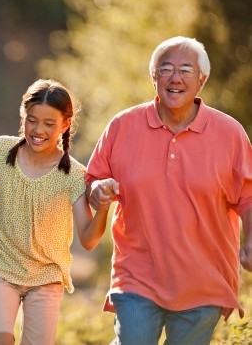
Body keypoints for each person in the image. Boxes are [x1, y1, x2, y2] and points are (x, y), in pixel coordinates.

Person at [86, 36, 252, 344]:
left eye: (186, 70)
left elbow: (248, 197)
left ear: (201, 80)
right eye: (166, 69)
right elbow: (93, 181)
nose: (175, 78)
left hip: (205, 280)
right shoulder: (123, 126)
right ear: (153, 77)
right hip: (137, 276)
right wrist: (97, 192)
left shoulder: (229, 134)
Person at [0, 79, 109, 345]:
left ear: (65, 124)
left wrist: (102, 209)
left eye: (49, 123)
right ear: (23, 116)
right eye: (32, 120)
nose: (38, 130)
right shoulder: (4, 148)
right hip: (1, 267)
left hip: (46, 277)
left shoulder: (72, 175)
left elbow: (89, 240)